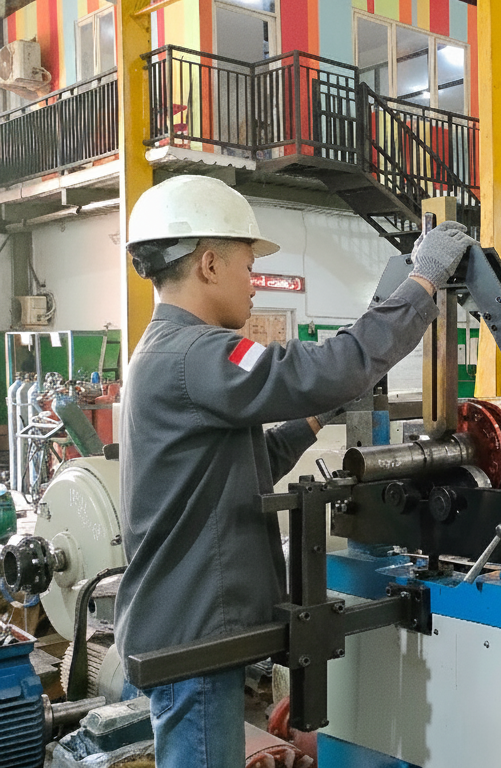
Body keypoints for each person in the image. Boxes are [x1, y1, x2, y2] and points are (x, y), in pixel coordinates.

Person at [113, 174, 476, 766]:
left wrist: (315, 415)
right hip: (195, 629)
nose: (254, 283)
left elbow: (242, 462)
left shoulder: (166, 351)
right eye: (249, 266)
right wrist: (423, 282)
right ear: (209, 264)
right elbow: (326, 367)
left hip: (185, 620)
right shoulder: (197, 352)